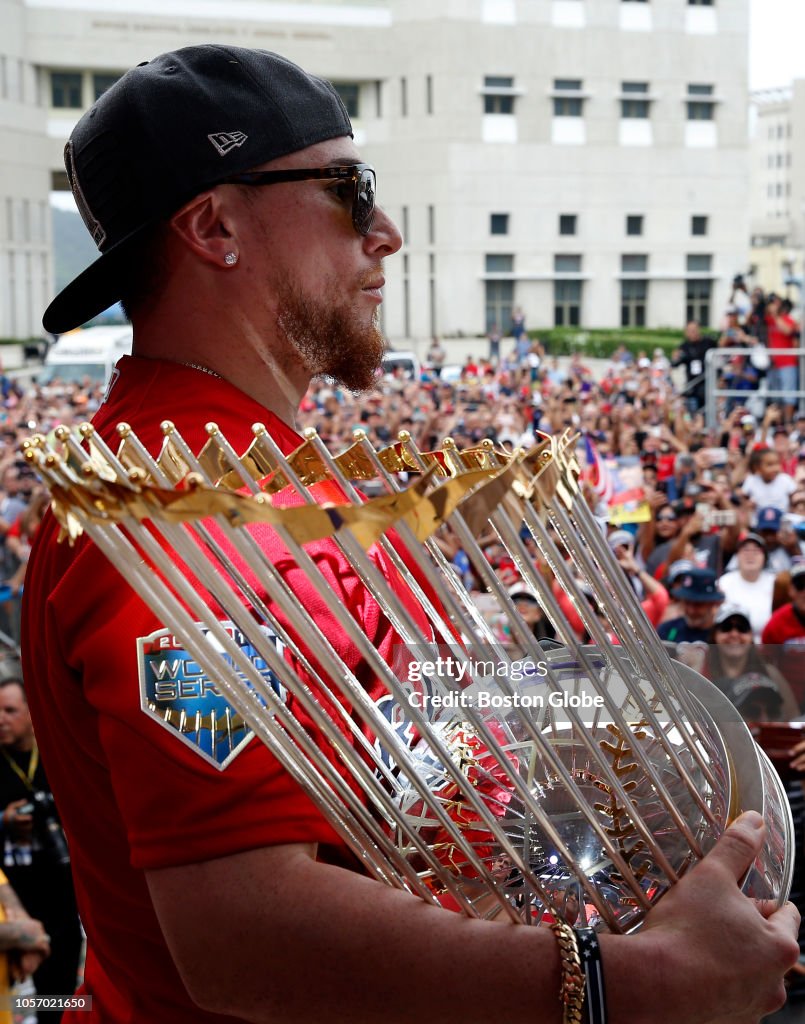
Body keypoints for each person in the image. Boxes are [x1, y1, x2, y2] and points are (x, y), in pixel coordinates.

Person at [20, 45, 798, 1024]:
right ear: (213, 225)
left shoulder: (258, 474)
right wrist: (621, 985)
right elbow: (241, 933)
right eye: (347, 190)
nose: (383, 233)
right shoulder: (186, 516)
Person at [0, 678, 81, 1021]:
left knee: (66, 999)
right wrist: (3, 819)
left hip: (61, 899)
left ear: (32, 714)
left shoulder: (58, 752)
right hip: (12, 898)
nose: (0, 719)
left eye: (10, 710)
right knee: (16, 1004)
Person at [702, 603, 799, 720]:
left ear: (751, 636)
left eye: (742, 628)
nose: (734, 634)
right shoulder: (701, 673)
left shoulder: (770, 673)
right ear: (714, 635)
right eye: (726, 628)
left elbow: (793, 718)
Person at [657, 567, 725, 644]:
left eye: (698, 604)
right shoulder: (670, 631)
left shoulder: (722, 636)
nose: (691, 610)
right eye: (687, 603)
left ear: (712, 603)